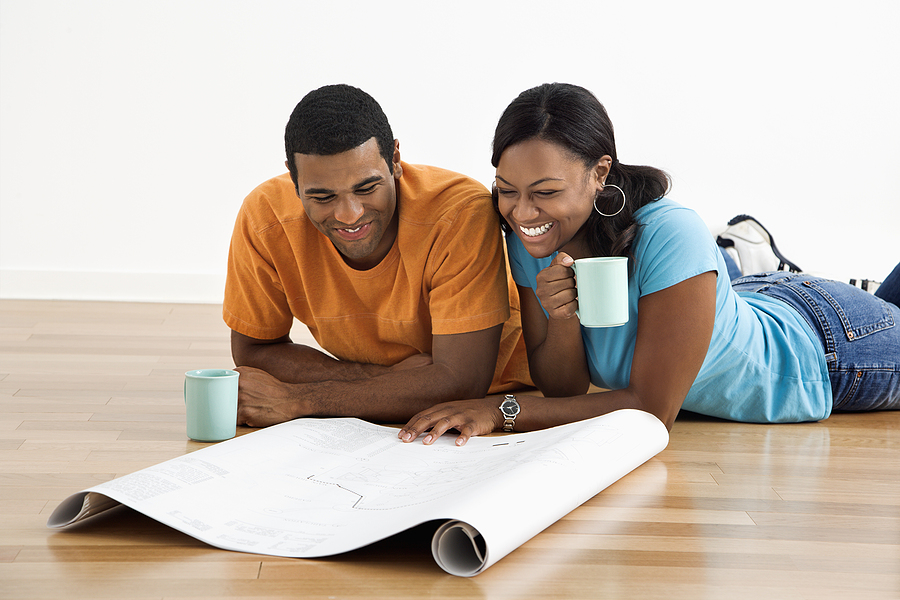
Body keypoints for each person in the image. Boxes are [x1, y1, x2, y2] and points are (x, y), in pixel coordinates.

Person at [399, 82, 900, 446]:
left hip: (827, 348)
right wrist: (563, 317)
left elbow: (650, 410)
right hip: (752, 301)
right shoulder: (531, 238)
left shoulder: (670, 231)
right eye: (507, 191)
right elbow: (563, 388)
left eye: (546, 192)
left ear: (600, 174)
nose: (522, 212)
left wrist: (499, 411)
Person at [224, 84, 531, 428]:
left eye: (366, 188)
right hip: (387, 407)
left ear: (395, 160)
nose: (349, 215)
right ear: (294, 180)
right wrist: (371, 378)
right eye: (323, 197)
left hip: (503, 397)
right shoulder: (265, 215)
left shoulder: (459, 212)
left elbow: (460, 382)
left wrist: (299, 400)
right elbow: (254, 352)